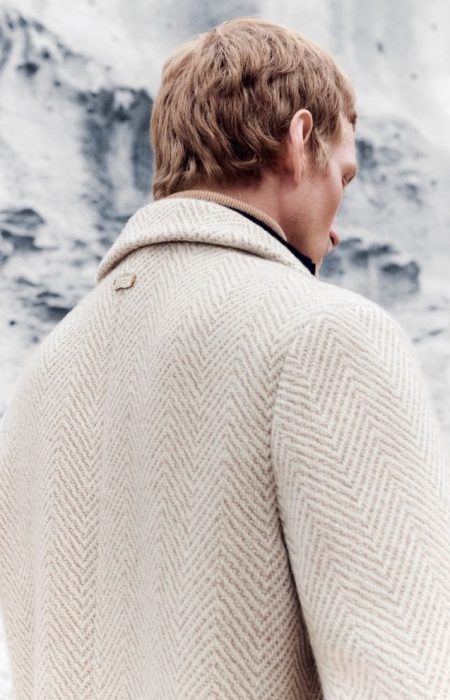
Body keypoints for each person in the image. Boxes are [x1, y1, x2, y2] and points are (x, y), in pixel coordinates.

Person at [1, 15, 449, 700]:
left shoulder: (41, 378)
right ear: (299, 140)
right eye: (345, 176)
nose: (338, 230)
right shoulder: (327, 336)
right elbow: (405, 678)